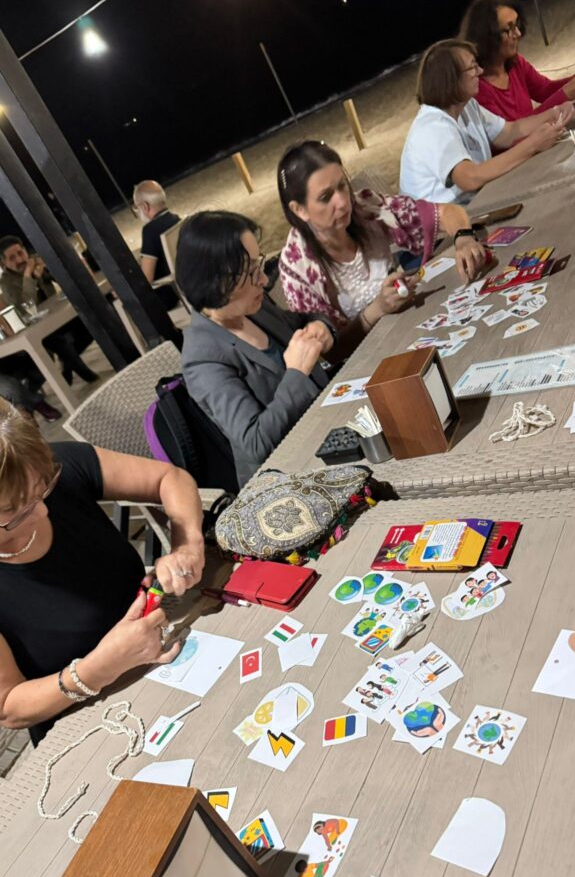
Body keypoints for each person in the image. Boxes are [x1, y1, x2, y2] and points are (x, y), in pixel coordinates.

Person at [0, 400, 205, 746]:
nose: (44, 511)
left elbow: (170, 478)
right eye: (15, 512)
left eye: (43, 489)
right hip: (90, 722)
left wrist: (186, 545)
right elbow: (9, 708)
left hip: (172, 651)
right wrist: (98, 668)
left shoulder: (45, 466)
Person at [177, 210, 360, 487]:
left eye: (259, 264)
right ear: (217, 282)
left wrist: (321, 327)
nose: (264, 279)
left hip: (326, 430)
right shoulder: (203, 358)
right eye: (251, 272)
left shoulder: (251, 308)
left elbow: (302, 321)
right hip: (288, 476)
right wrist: (297, 373)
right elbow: (256, 442)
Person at [277, 140, 487, 330]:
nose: (342, 201)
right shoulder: (298, 268)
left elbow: (446, 212)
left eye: (342, 186)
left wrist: (464, 239)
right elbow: (330, 352)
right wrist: (378, 309)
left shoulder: (366, 207)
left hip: (407, 325)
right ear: (299, 209)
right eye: (325, 197)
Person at [400, 40, 574, 205]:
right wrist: (534, 144)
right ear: (451, 79)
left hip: (476, 203)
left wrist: (554, 112)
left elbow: (509, 132)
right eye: (473, 67)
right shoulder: (432, 127)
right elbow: (470, 178)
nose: (480, 71)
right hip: (448, 222)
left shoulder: (467, 105)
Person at [460, 0, 575, 121]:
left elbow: (544, 90)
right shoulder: (477, 89)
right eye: (508, 29)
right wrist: (566, 93)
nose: (518, 33)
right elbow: (515, 130)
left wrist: (572, 83)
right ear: (487, 37)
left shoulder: (515, 63)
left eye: (516, 25)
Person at [0, 236, 99, 384]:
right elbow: (26, 308)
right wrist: (29, 276)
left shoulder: (36, 263)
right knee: (59, 341)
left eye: (20, 253)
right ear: (4, 263)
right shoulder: (6, 283)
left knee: (91, 320)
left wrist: (50, 267)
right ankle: (87, 376)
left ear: (26, 251)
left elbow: (65, 281)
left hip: (57, 317)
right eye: (12, 258)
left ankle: (67, 365)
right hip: (36, 330)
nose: (19, 259)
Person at [133, 180, 181, 311]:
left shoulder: (150, 231)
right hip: (183, 282)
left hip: (168, 294)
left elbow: (147, 278)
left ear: (145, 206)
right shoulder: (175, 218)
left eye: (136, 207)